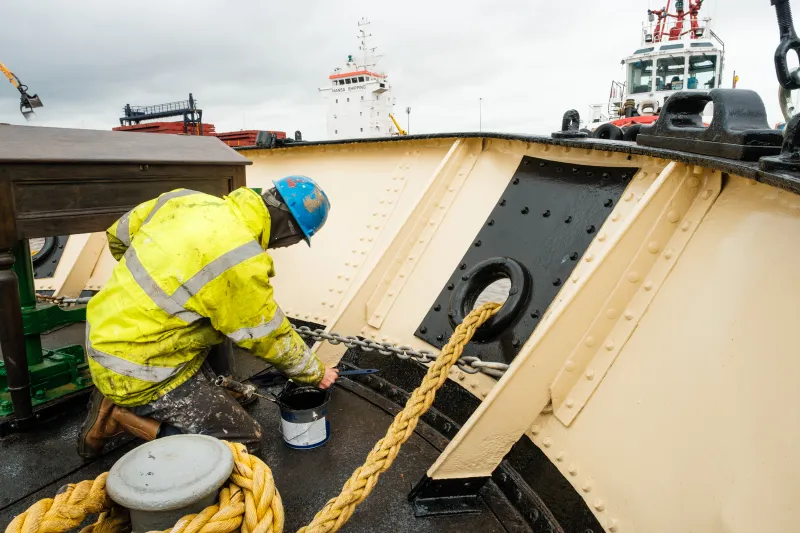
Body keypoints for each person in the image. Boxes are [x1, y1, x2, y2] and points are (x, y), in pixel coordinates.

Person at [77, 176, 338, 459]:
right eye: (296, 240)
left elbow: (118, 236)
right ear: (289, 229)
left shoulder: (187, 199)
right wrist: (316, 373)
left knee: (218, 314)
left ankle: (218, 389)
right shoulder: (241, 261)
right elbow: (268, 336)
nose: (286, 246)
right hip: (139, 368)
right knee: (242, 444)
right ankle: (119, 417)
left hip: (104, 332)